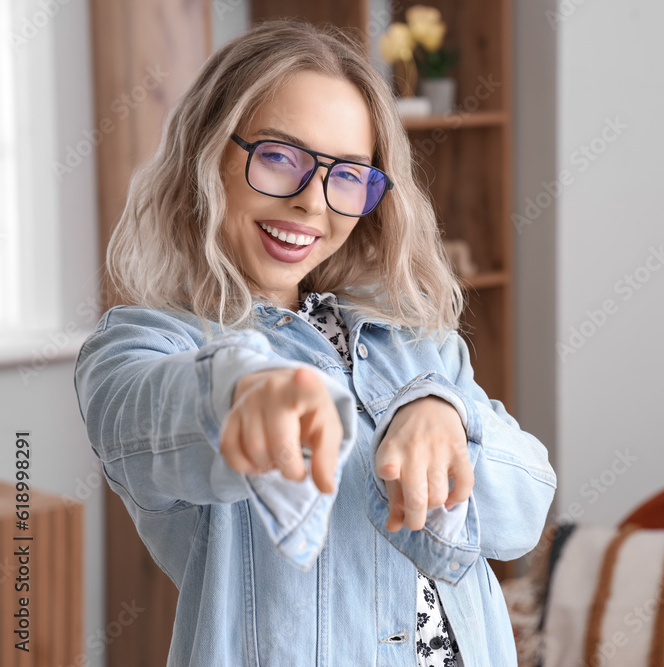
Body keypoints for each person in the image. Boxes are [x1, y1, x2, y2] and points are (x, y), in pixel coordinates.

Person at [74, 20, 556, 666]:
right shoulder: (143, 344)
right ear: (209, 153)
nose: (312, 202)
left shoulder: (415, 343)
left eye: (349, 175)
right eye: (278, 157)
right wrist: (244, 393)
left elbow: (523, 508)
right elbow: (148, 421)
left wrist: (442, 410)